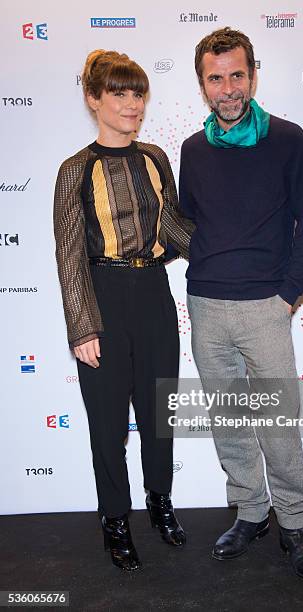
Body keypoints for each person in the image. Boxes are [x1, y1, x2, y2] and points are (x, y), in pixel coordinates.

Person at [179, 28, 303, 581]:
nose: (228, 88)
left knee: (278, 422)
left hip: (267, 304)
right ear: (203, 85)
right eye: (216, 78)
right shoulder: (193, 150)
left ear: (253, 75)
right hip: (207, 304)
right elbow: (190, 222)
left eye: (236, 75)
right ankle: (250, 511)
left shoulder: (289, 139)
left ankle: (293, 521)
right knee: (230, 421)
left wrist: (289, 294)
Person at [53, 50, 194, 571]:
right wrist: (82, 326)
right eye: (118, 92)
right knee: (108, 424)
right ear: (93, 99)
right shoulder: (75, 169)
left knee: (159, 415)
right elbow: (69, 253)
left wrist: (225, 247)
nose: (132, 104)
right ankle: (115, 519)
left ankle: (161, 504)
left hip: (154, 294)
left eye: (138, 93)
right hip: (103, 297)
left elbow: (174, 229)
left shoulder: (155, 157)